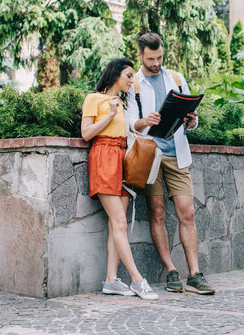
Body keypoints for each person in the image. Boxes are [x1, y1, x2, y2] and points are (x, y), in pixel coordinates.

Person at [126, 33, 215, 295]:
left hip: (177, 154)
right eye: (151, 58)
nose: (156, 63)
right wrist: (145, 122)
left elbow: (192, 119)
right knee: (158, 212)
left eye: (160, 57)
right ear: (140, 55)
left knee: (187, 212)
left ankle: (195, 275)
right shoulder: (135, 84)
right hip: (150, 155)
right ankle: (170, 271)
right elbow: (131, 123)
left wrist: (191, 120)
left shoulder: (176, 78)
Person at [81, 57, 159, 300]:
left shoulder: (124, 103)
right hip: (103, 156)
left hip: (121, 158)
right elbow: (86, 134)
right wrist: (109, 114)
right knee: (119, 222)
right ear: (115, 74)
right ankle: (137, 280)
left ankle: (111, 280)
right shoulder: (94, 98)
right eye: (128, 76)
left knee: (117, 223)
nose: (131, 80)